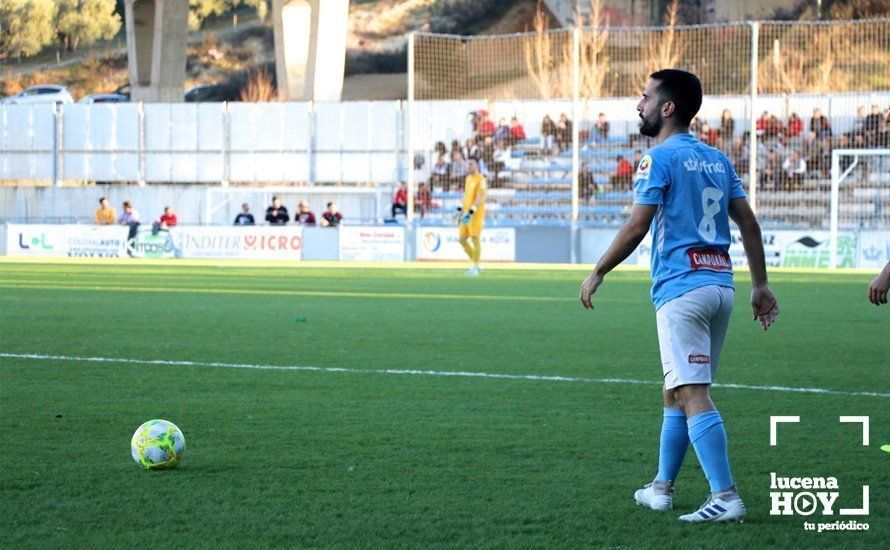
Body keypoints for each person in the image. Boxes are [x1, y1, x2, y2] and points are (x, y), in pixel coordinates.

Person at [579, 69, 778, 524]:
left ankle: (725, 496)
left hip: (681, 288)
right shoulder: (716, 159)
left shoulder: (658, 159)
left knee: (691, 392)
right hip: (720, 287)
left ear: (667, 107)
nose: (638, 105)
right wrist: (760, 285)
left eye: (645, 97)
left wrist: (597, 272)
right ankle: (661, 488)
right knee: (675, 390)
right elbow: (748, 223)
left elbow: (636, 225)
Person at [456, 159, 487, 276]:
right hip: (465, 214)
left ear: (476, 165)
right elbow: (466, 195)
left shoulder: (481, 179)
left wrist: (472, 209)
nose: (468, 166)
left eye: (471, 164)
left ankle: (475, 266)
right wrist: (461, 209)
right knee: (462, 239)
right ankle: (477, 263)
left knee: (475, 239)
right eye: (468, 164)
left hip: (475, 215)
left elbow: (480, 196)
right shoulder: (468, 179)